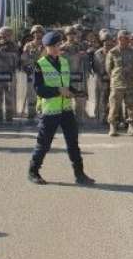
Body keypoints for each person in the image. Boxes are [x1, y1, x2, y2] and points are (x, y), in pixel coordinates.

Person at [27, 31, 94, 186]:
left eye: (59, 45)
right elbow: (39, 89)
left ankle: (80, 174)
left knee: (73, 142)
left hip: (66, 109)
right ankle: (33, 171)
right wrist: (58, 91)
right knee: (44, 143)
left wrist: (76, 92)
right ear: (47, 47)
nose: (58, 48)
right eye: (55, 46)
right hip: (50, 110)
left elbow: (65, 84)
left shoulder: (64, 62)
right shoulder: (40, 64)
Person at [106, 30, 133, 136]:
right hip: (117, 83)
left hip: (130, 83)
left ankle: (131, 125)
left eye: (126, 38)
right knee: (114, 106)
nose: (125, 40)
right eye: (122, 38)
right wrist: (115, 78)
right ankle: (113, 126)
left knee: (131, 106)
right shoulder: (112, 52)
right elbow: (108, 68)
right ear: (118, 39)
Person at [0, 26, 19, 124]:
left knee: (9, 98)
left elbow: (18, 61)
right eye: (4, 35)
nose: (5, 37)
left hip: (10, 76)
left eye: (8, 35)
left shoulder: (14, 46)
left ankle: (9, 117)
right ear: (0, 35)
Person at [60, 26, 90, 121]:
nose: (71, 36)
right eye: (69, 34)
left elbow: (87, 60)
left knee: (80, 100)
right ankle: (67, 120)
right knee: (66, 100)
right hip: (66, 77)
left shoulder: (82, 46)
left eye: (73, 34)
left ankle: (79, 119)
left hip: (79, 78)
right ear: (66, 35)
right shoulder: (62, 47)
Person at [21, 25, 45, 120]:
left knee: (43, 94)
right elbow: (23, 58)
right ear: (32, 34)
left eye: (39, 32)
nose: (37, 34)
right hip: (32, 72)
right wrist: (26, 68)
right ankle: (31, 113)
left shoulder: (46, 45)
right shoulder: (28, 45)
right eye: (35, 33)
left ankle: (43, 113)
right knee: (31, 94)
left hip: (44, 73)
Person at [91, 32, 113, 124]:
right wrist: (101, 74)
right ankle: (100, 117)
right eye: (104, 42)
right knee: (100, 99)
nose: (106, 44)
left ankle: (112, 118)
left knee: (112, 100)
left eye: (108, 42)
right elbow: (95, 67)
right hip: (100, 79)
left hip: (112, 79)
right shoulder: (97, 53)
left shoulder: (114, 52)